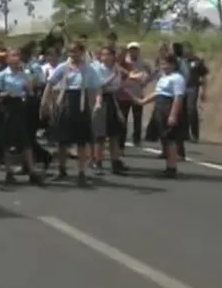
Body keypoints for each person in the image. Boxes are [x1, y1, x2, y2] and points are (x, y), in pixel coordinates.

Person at [41, 41, 100, 187]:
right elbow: (50, 83)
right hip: (65, 103)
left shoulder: (89, 69)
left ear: (82, 52)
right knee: (62, 140)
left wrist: (97, 102)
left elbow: (96, 88)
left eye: (75, 51)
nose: (73, 54)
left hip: (81, 104)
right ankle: (62, 170)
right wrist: (44, 103)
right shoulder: (63, 67)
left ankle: (81, 172)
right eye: (70, 51)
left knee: (81, 141)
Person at [0, 47, 44, 185]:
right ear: (7, 59)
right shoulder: (2, 75)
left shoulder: (24, 74)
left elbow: (30, 92)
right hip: (7, 108)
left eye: (18, 55)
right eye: (13, 55)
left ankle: (32, 171)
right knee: (7, 142)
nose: (16, 58)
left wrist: (29, 86)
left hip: (21, 107)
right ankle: (9, 171)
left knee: (26, 141)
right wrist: (6, 93)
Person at [135, 54, 186, 178]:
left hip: (169, 105)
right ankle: (168, 165)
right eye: (162, 64)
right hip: (160, 106)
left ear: (173, 65)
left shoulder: (177, 78)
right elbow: (158, 93)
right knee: (164, 137)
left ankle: (172, 167)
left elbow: (178, 97)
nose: (163, 66)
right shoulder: (163, 77)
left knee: (170, 138)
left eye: (166, 64)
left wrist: (173, 115)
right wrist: (143, 101)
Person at [90, 46, 126, 175]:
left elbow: (117, 86)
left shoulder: (116, 69)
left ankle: (115, 162)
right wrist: (112, 77)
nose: (105, 57)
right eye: (103, 55)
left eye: (108, 54)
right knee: (100, 134)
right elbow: (99, 85)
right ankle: (97, 162)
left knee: (114, 134)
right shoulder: (97, 69)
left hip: (112, 98)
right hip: (100, 99)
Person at [117, 42, 150, 149]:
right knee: (123, 118)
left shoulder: (143, 63)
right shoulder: (124, 62)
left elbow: (147, 75)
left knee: (137, 118)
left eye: (135, 49)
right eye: (131, 49)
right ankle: (121, 141)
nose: (133, 51)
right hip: (124, 94)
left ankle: (137, 139)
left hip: (137, 94)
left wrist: (145, 81)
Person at [182, 42, 209, 143]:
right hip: (180, 88)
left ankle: (194, 134)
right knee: (182, 111)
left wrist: (204, 91)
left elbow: (204, 76)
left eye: (187, 49)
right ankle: (184, 134)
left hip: (192, 87)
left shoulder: (197, 61)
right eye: (183, 49)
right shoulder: (179, 61)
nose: (185, 51)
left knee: (191, 109)